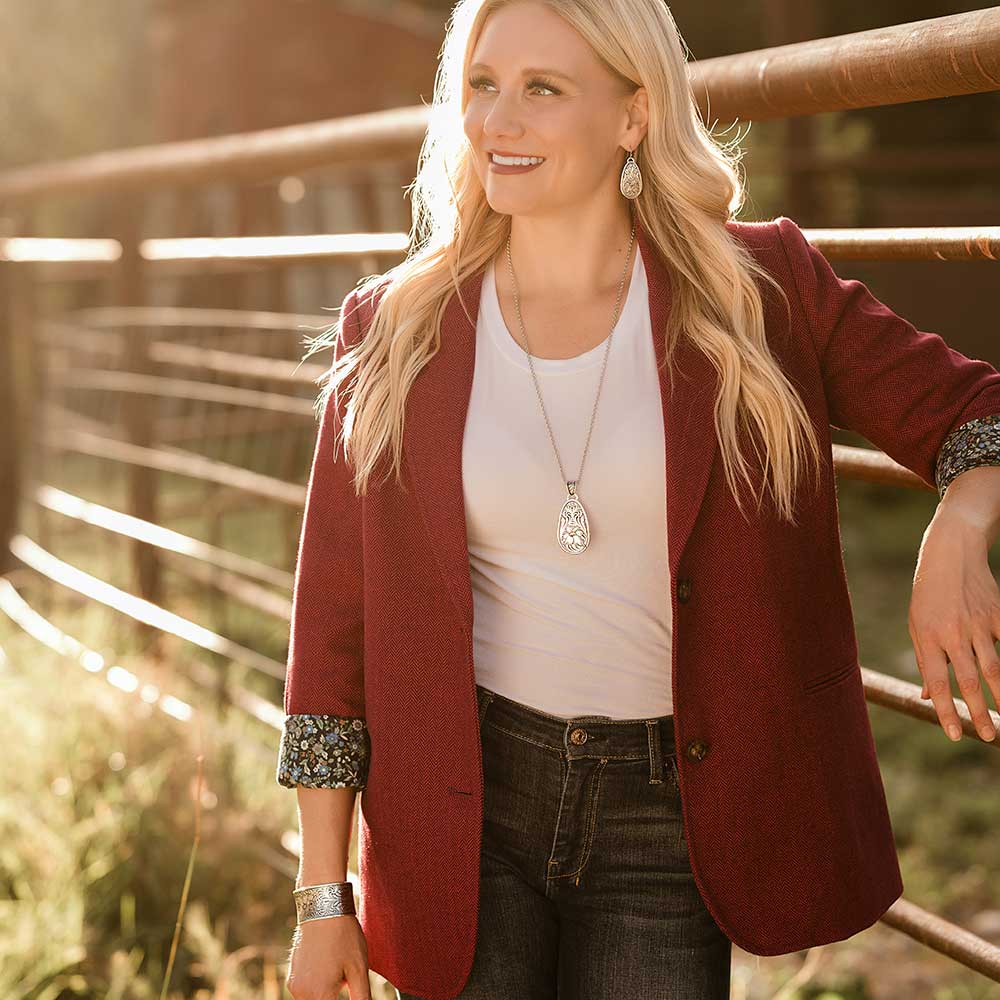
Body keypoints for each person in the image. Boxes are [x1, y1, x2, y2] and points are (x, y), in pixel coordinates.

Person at [276, 1, 1000, 998]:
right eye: (483, 85)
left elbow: (976, 407)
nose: (498, 121)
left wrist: (960, 524)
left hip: (670, 814)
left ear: (633, 114)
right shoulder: (395, 328)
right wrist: (324, 900)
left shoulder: (760, 290)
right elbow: (332, 639)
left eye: (543, 89)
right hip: (461, 807)